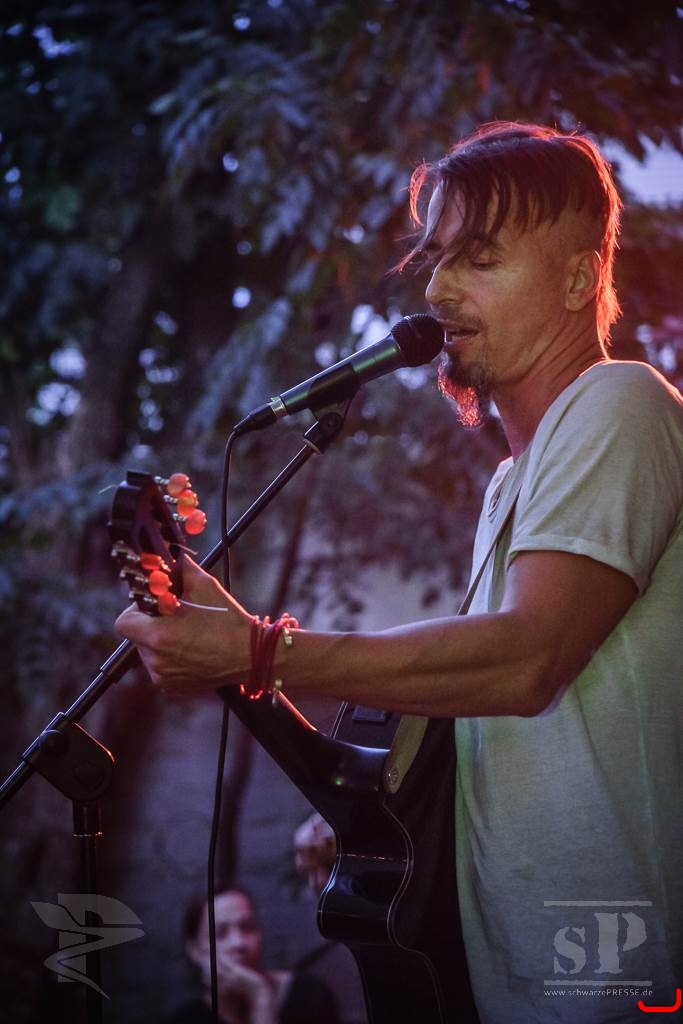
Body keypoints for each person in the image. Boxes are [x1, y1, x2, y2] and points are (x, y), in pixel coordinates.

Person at [118, 122, 683, 1023]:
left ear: (579, 279)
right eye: (435, 258)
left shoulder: (618, 403)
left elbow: (524, 662)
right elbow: (496, 718)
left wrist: (259, 652)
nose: (436, 289)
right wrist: (372, 816)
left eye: (480, 259)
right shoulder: (513, 481)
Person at [166, 887, 340, 1024]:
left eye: (247, 927)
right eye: (220, 933)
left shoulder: (308, 997)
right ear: (195, 950)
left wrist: (261, 996)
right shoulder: (186, 1019)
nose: (239, 943)